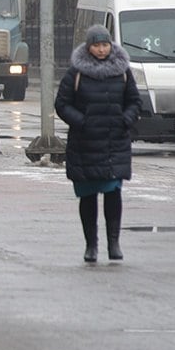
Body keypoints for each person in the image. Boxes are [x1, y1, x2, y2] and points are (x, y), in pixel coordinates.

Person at [55, 24, 142, 263]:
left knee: (113, 192)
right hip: (85, 144)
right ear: (88, 46)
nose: (102, 49)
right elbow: (62, 104)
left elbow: (135, 101)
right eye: (97, 45)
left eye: (105, 45)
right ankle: (91, 245)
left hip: (115, 143)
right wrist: (82, 122)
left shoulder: (123, 71)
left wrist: (125, 120)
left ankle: (114, 243)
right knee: (89, 195)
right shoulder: (76, 73)